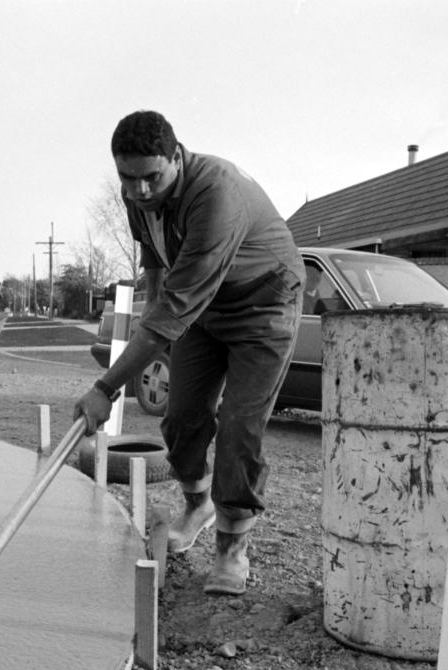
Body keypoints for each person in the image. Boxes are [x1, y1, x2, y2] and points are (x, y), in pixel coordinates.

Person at [73, 110, 305, 596]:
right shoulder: (139, 193)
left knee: (240, 424)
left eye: (150, 177)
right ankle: (198, 505)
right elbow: (156, 267)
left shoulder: (215, 195)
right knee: (180, 419)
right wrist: (151, 322)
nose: (137, 190)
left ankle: (231, 547)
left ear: (176, 157)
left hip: (263, 304)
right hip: (205, 308)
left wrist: (106, 387)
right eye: (127, 178)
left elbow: (175, 307)